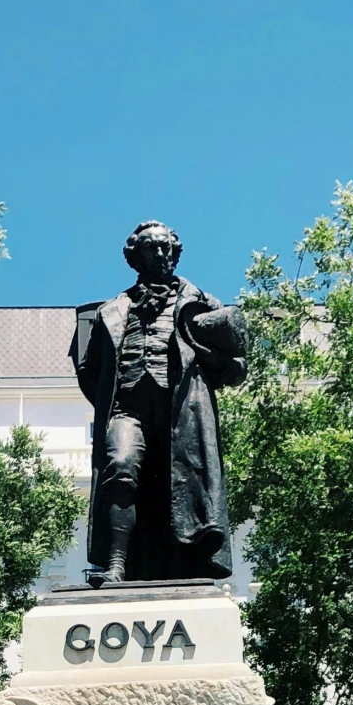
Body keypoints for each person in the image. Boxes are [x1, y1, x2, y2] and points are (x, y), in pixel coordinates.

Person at [71, 222, 248, 586]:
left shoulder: (203, 304)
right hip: (127, 408)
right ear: (135, 257)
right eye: (152, 248)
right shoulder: (112, 311)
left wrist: (208, 356)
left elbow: (235, 367)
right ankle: (117, 566)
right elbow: (90, 370)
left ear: (176, 252)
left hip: (180, 412)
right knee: (119, 467)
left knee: (178, 485)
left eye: (167, 247)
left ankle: (186, 565)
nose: (161, 254)